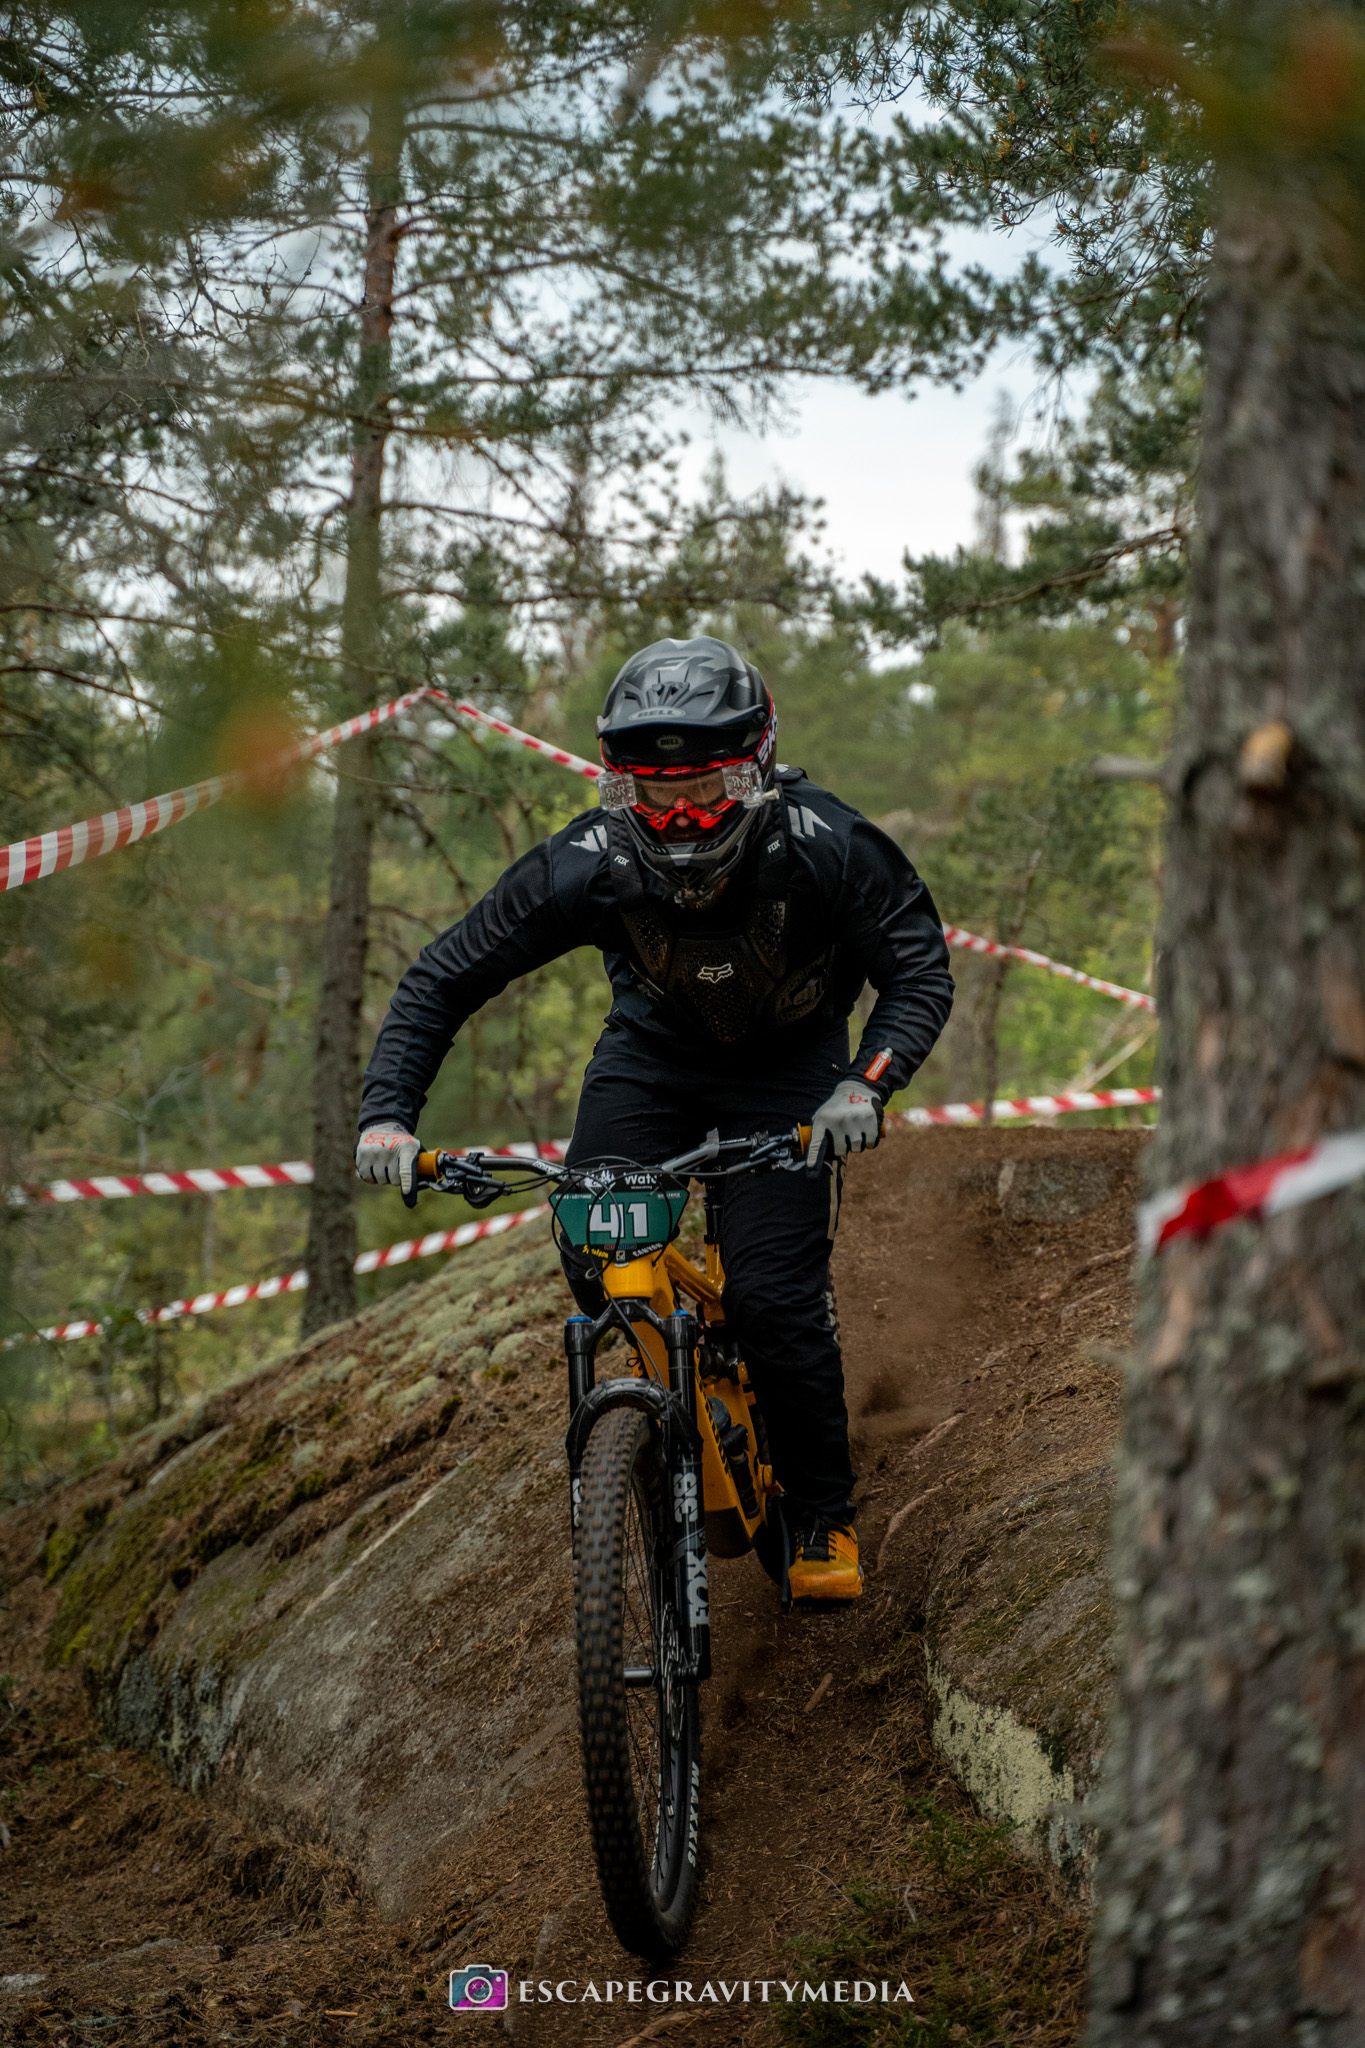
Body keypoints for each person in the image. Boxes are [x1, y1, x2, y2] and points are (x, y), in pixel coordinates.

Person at [356, 637, 953, 1603]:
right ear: (614, 783)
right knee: (593, 1255)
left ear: (756, 767)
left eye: (704, 791)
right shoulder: (586, 863)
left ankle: (819, 1509)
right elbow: (443, 979)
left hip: (791, 1071)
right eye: (650, 794)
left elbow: (918, 968)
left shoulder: (827, 844)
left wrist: (864, 1086)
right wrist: (387, 1117)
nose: (677, 818)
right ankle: (650, 1435)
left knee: (773, 1302)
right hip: (650, 1064)